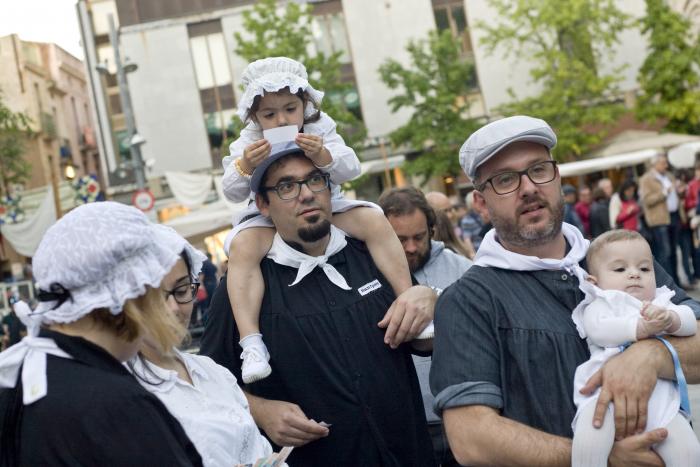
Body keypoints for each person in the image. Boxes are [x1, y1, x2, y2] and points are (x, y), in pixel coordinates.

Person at [430, 115, 700, 466]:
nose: (528, 188)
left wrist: (650, 357)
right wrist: (600, 459)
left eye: (539, 169)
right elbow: (471, 437)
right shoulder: (469, 300)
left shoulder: (619, 259)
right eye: (505, 180)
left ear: (557, 177)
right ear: (481, 204)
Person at [201, 143, 436, 466]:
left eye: (315, 180)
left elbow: (425, 341)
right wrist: (261, 411)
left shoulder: (370, 253)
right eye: (286, 186)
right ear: (262, 204)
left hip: (408, 454)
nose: (306, 194)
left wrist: (431, 299)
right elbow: (207, 382)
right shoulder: (244, 286)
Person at [220, 57, 411, 384]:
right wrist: (244, 166)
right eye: (269, 114)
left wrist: (324, 155)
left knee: (375, 218)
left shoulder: (321, 128)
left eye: (290, 109)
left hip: (328, 204)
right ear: (254, 116)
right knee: (241, 247)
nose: (281, 118)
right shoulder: (247, 142)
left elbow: (351, 168)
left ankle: (407, 297)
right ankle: (251, 342)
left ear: (305, 103)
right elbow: (232, 191)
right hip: (266, 217)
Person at [0, 202, 202, 466]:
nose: (165, 306)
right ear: (131, 294)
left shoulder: (18, 380)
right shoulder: (118, 405)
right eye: (154, 287)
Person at [128, 236, 280, 467]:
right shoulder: (124, 390)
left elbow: (259, 452)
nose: (173, 309)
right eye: (155, 297)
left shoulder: (212, 372)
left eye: (181, 291)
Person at [570, 230, 699, 466]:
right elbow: (598, 328)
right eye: (620, 269)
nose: (634, 275)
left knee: (689, 452)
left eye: (644, 269)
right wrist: (639, 327)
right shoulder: (602, 302)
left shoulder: (660, 302)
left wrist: (670, 319)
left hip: (661, 402)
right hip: (603, 398)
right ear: (593, 281)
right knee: (589, 441)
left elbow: (690, 322)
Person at [379, 186, 472, 467]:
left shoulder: (462, 270)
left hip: (461, 418)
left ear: (432, 229)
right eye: (400, 240)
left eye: (419, 237)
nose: (410, 247)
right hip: (404, 427)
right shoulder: (368, 273)